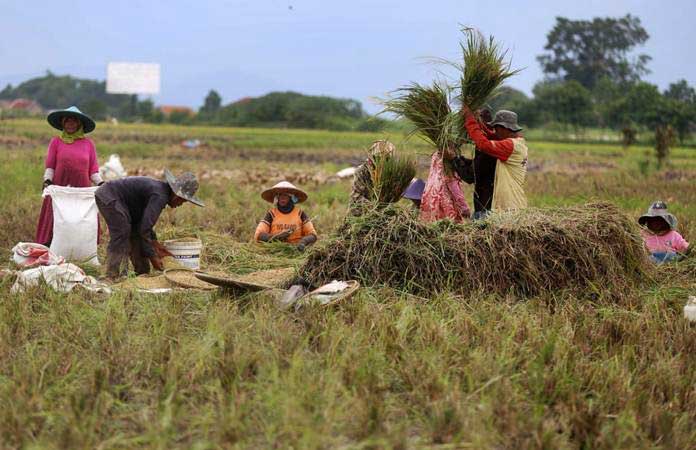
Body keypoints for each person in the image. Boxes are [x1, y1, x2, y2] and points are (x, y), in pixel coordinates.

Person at [95, 170, 204, 279]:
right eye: (182, 201)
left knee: (136, 232)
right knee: (122, 231)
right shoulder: (160, 196)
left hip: (125, 205)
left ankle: (142, 273)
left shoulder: (161, 193)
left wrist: (156, 245)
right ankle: (112, 275)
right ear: (176, 195)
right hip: (109, 195)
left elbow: (144, 225)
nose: (180, 204)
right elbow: (145, 229)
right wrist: (153, 256)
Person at [36, 106, 103, 245]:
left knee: (81, 217)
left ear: (79, 124)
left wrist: (101, 184)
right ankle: (51, 244)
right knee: (57, 217)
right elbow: (50, 166)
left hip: (81, 188)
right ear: (63, 123)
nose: (70, 124)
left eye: (73, 121)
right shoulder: (56, 142)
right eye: (67, 121)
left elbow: (93, 170)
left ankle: (81, 245)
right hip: (60, 187)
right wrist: (47, 181)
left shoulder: (88, 144)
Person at [462, 108, 528, 212]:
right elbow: (491, 136)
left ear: (504, 128)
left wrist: (469, 119)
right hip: (511, 205)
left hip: (510, 207)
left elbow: (484, 144)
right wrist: (477, 122)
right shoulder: (517, 143)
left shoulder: (510, 146)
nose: (495, 132)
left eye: (496, 128)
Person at [454, 108, 499, 219]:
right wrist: (461, 159)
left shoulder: (488, 147)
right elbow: (476, 165)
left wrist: (454, 159)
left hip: (486, 208)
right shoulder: (492, 141)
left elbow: (470, 176)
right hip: (484, 204)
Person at [254, 181, 317, 252]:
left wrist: (303, 242)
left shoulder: (300, 214)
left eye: (285, 195)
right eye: (280, 195)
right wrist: (276, 237)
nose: (282, 198)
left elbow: (313, 235)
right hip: (275, 252)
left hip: (295, 251)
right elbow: (258, 234)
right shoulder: (271, 214)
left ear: (292, 198)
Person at [349, 140, 395, 214]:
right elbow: (356, 196)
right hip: (360, 211)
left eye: (386, 159)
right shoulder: (362, 171)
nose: (382, 161)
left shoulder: (390, 171)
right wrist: (375, 207)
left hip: (382, 213)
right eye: (379, 158)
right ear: (372, 157)